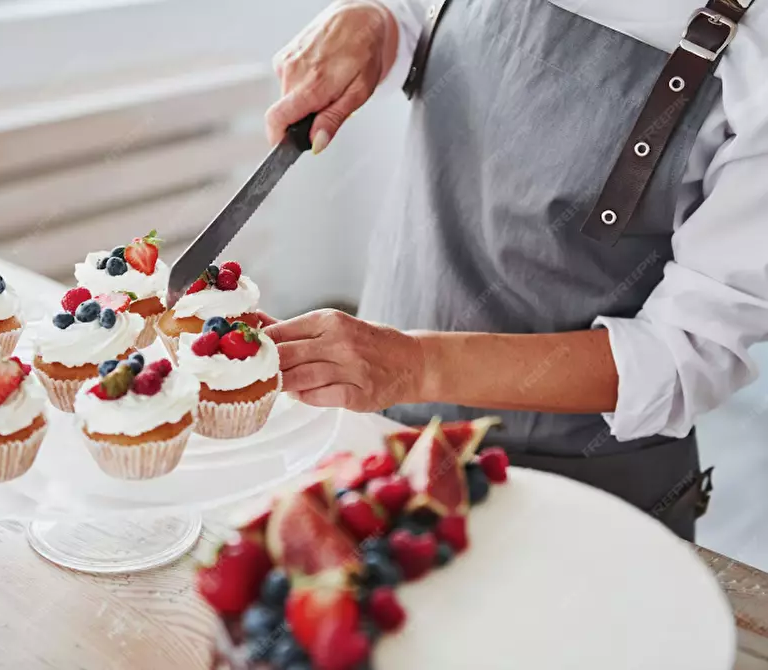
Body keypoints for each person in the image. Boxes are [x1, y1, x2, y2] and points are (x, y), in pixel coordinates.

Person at [261, 0, 768, 541]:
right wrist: (371, 20)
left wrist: (416, 366)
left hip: (583, 496)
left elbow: (684, 356)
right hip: (378, 431)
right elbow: (415, 17)